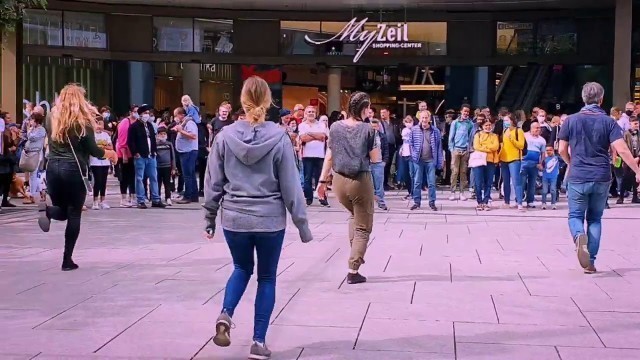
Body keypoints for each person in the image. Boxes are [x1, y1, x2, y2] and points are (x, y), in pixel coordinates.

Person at [204, 76, 312, 360]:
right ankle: (258, 342)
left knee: (241, 268)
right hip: (269, 221)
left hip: (235, 219)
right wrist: (302, 225)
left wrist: (210, 217)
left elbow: (213, 181)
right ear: (268, 102)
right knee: (266, 278)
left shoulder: (224, 137)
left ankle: (226, 314)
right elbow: (291, 185)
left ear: (242, 101)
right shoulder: (279, 138)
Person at [558, 82, 640, 274]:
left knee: (575, 215)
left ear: (583, 98)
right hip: (602, 175)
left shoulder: (570, 120)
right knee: (595, 218)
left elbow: (561, 149)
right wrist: (637, 170)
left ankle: (579, 235)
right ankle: (591, 262)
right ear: (601, 100)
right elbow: (622, 149)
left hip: (578, 175)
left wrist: (570, 162)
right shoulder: (609, 122)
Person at [37, 84, 118, 271]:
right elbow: (94, 150)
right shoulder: (82, 121)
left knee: (63, 211)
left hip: (53, 168)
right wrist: (110, 153)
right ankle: (67, 260)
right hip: (74, 170)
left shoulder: (50, 118)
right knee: (74, 213)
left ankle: (48, 211)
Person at [317, 92, 376, 285]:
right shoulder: (368, 129)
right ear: (364, 109)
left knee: (354, 216)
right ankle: (353, 269)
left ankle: (355, 253)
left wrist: (322, 181)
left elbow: (329, 155)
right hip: (360, 180)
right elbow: (375, 158)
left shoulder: (335, 127)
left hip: (339, 181)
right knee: (363, 226)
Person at [128, 104, 166, 209]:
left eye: (148, 113)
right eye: (145, 113)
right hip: (140, 156)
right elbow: (130, 142)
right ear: (140, 114)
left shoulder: (149, 125)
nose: (147, 115)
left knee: (154, 177)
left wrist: (154, 151)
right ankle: (140, 200)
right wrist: (135, 152)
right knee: (139, 178)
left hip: (151, 155)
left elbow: (152, 139)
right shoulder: (134, 127)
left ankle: (156, 199)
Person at [408, 110, 443, 211]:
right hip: (418, 160)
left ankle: (432, 202)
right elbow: (410, 144)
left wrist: (440, 161)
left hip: (431, 160)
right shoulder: (414, 130)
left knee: (431, 182)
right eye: (422, 118)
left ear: (429, 119)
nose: (424, 120)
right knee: (417, 182)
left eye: (426, 117)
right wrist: (413, 156)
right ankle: (416, 202)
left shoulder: (435, 131)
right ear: (419, 118)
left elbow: (439, 147)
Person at [298, 105, 329, 207]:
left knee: (320, 178)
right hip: (307, 155)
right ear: (305, 114)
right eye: (309, 112)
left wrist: (310, 133)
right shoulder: (302, 125)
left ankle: (322, 198)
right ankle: (309, 198)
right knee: (307, 178)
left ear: (315, 114)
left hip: (320, 155)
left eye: (313, 112)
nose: (311, 113)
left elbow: (323, 136)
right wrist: (316, 136)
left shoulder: (321, 125)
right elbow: (303, 138)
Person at [471, 118, 500, 211]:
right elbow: (476, 146)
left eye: (489, 125)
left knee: (489, 182)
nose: (488, 127)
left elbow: (495, 146)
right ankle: (479, 201)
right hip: (479, 161)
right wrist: (489, 148)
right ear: (482, 126)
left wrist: (484, 147)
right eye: (486, 125)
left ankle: (486, 201)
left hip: (490, 161)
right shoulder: (478, 135)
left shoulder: (495, 136)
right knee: (478, 182)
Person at [173, 107, 199, 204]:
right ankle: (194, 195)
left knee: (187, 174)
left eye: (176, 115)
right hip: (185, 151)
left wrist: (181, 131)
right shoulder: (184, 123)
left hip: (189, 151)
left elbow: (193, 136)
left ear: (182, 115)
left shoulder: (190, 123)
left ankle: (188, 196)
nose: (175, 118)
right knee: (191, 174)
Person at [499, 113, 526, 210]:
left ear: (512, 121)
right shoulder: (504, 130)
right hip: (504, 159)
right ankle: (506, 201)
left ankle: (519, 202)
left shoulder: (519, 131)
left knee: (516, 181)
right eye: (504, 121)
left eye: (507, 120)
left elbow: (521, 145)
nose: (505, 122)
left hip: (514, 159)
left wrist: (512, 139)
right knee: (505, 181)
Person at [448, 104, 474, 201]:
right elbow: (451, 136)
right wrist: (451, 149)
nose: (466, 113)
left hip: (465, 150)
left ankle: (462, 192)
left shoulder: (470, 124)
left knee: (463, 172)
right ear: (461, 111)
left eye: (467, 111)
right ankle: (452, 191)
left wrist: (469, 148)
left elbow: (471, 137)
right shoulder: (455, 123)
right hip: (456, 149)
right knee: (454, 171)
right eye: (465, 111)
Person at [22, 113, 47, 204]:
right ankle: (40, 190)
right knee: (33, 173)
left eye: (32, 119)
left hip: (36, 154)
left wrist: (30, 129)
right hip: (30, 153)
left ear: (36, 120)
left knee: (34, 173)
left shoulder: (41, 130)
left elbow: (32, 138)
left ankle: (33, 194)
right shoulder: (34, 129)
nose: (30, 121)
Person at [90, 119, 113, 210]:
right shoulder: (92, 135)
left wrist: (102, 146)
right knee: (97, 181)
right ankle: (95, 201)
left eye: (101, 124)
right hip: (95, 162)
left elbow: (111, 146)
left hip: (105, 161)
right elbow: (93, 147)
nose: (100, 126)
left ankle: (102, 200)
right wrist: (103, 147)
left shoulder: (106, 135)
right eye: (98, 123)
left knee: (104, 181)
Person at [116, 105, 137, 207]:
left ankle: (133, 197)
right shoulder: (125, 123)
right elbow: (122, 140)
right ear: (131, 112)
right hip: (124, 153)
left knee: (133, 176)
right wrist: (124, 154)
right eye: (135, 111)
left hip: (134, 153)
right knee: (124, 176)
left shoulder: (138, 122)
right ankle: (123, 198)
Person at [522, 122, 547, 208]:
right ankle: (519, 200)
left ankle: (530, 201)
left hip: (535, 164)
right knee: (522, 181)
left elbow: (543, 153)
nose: (538, 129)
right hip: (523, 161)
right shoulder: (524, 135)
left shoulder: (542, 140)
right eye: (536, 128)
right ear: (531, 128)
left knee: (532, 183)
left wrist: (541, 163)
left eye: (539, 128)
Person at [369, 119, 389, 211]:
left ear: (378, 127)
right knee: (369, 185)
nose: (374, 128)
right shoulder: (366, 137)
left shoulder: (383, 137)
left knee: (379, 185)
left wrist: (384, 161)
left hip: (379, 163)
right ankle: (369, 204)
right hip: (368, 163)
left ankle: (381, 202)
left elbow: (386, 150)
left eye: (375, 126)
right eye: (372, 127)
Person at [619, 116, 640, 204]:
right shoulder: (626, 134)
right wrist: (629, 158)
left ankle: (635, 196)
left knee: (636, 177)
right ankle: (621, 197)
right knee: (625, 177)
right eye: (635, 123)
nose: (636, 125)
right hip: (628, 158)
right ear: (630, 124)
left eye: (637, 123)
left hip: (637, 157)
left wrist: (638, 156)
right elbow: (624, 146)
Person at [156, 127, 176, 206]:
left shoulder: (169, 144)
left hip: (167, 166)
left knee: (167, 183)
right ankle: (157, 197)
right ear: (158, 135)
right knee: (158, 183)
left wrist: (173, 168)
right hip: (157, 167)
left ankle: (168, 198)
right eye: (161, 134)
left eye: (164, 134)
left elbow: (173, 156)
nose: (163, 135)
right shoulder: (155, 144)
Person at [396, 116, 414, 198]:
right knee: (405, 173)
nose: (408, 123)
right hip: (404, 153)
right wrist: (402, 148)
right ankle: (410, 191)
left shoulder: (415, 130)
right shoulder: (404, 130)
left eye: (410, 121)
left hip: (412, 154)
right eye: (407, 122)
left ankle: (414, 192)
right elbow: (404, 141)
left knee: (412, 173)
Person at [541, 145, 559, 210]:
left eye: (550, 150)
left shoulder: (556, 158)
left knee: (553, 190)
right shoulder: (544, 159)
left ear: (553, 151)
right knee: (544, 190)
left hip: (554, 176)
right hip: (545, 176)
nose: (548, 151)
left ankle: (553, 203)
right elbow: (542, 167)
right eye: (547, 150)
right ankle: (543, 203)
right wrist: (540, 168)